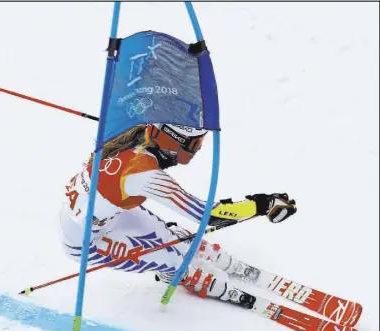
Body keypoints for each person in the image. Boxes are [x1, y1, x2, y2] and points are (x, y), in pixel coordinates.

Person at [59, 123, 297, 307]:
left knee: (167, 237)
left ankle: (173, 246)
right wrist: (261, 204)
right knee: (174, 259)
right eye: (194, 144)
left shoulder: (134, 135)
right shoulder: (143, 175)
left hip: (108, 214)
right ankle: (180, 273)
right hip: (85, 243)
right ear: (174, 143)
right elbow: (206, 216)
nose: (197, 150)